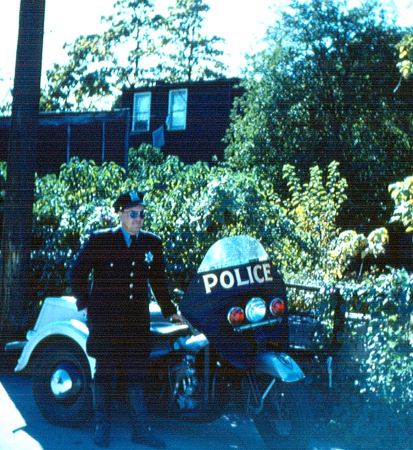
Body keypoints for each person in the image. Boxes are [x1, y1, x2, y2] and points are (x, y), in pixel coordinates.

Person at [70, 190, 185, 449]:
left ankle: (141, 430)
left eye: (142, 214)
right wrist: (85, 304)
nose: (138, 218)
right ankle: (102, 426)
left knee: (136, 375)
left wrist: (170, 311)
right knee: (105, 373)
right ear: (120, 213)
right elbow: (76, 273)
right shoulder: (101, 240)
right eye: (133, 213)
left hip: (135, 323)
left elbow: (158, 281)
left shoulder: (152, 243)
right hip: (106, 322)